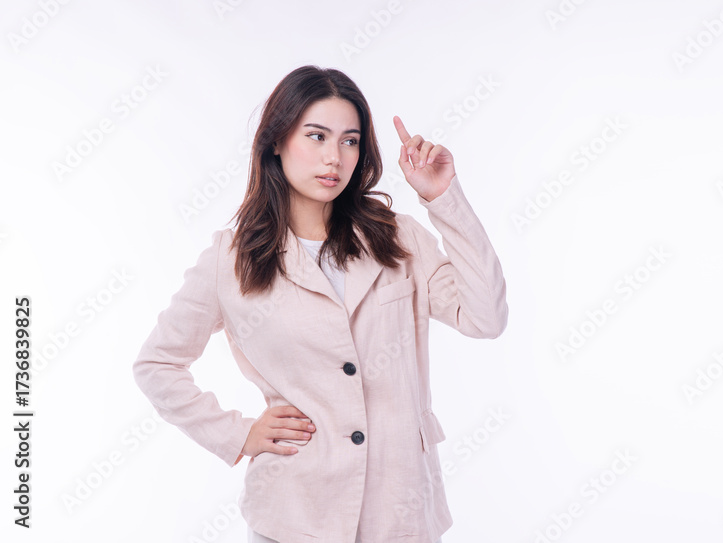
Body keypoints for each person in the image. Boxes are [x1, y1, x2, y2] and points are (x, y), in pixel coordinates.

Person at [132, 65, 508, 543]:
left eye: (350, 141)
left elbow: (486, 317)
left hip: (401, 513)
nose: (334, 157)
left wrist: (444, 198)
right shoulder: (231, 258)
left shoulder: (399, 238)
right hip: (295, 516)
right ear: (277, 140)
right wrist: (238, 434)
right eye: (316, 136)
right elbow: (157, 364)